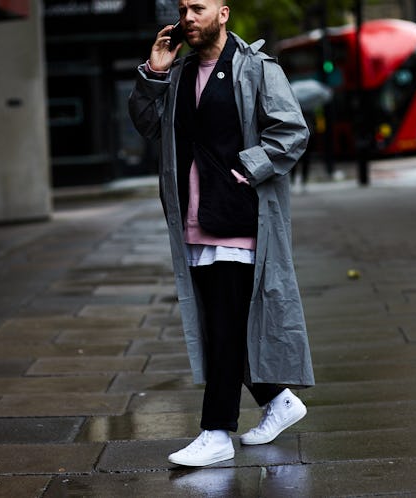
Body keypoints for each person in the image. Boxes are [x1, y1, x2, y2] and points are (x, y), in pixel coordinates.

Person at [128, 0, 315, 468]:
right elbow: (146, 123)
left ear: (223, 13)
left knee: (227, 328)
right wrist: (154, 69)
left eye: (198, 7)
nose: (187, 17)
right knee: (221, 328)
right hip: (195, 218)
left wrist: (248, 169)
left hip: (238, 218)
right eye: (182, 8)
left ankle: (216, 431)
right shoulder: (179, 72)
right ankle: (277, 400)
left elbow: (291, 131)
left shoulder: (256, 68)